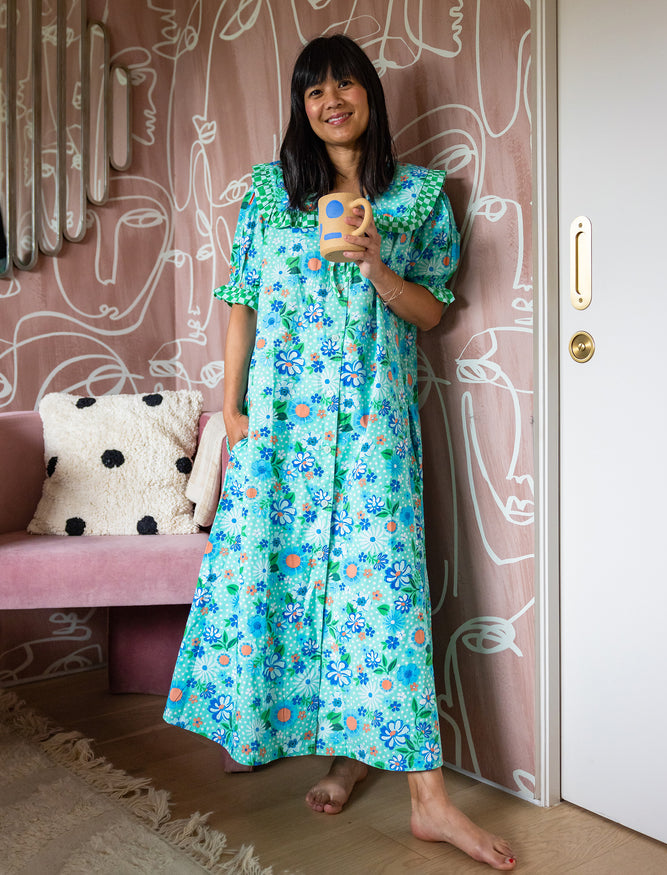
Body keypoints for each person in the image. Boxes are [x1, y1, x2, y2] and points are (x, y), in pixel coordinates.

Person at [164, 34, 516, 870]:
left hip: (369, 430)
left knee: (383, 599)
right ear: (301, 105)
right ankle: (347, 752)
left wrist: (376, 265)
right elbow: (242, 303)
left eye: (345, 84)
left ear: (369, 95)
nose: (331, 100)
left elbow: (432, 312)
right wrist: (231, 409)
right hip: (280, 428)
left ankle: (429, 801)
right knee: (285, 588)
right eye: (314, 89)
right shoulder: (268, 192)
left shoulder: (419, 197)